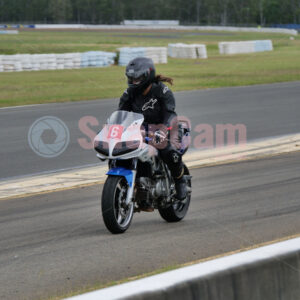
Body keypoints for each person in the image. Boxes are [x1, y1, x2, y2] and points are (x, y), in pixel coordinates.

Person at [118, 57, 187, 200]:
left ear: (147, 75)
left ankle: (180, 181)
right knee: (121, 150)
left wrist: (163, 130)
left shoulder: (162, 90)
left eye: (137, 78)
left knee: (169, 150)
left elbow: (170, 113)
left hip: (167, 126)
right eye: (131, 78)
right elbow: (121, 115)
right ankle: (136, 183)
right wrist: (114, 129)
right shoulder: (129, 93)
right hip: (142, 130)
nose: (133, 81)